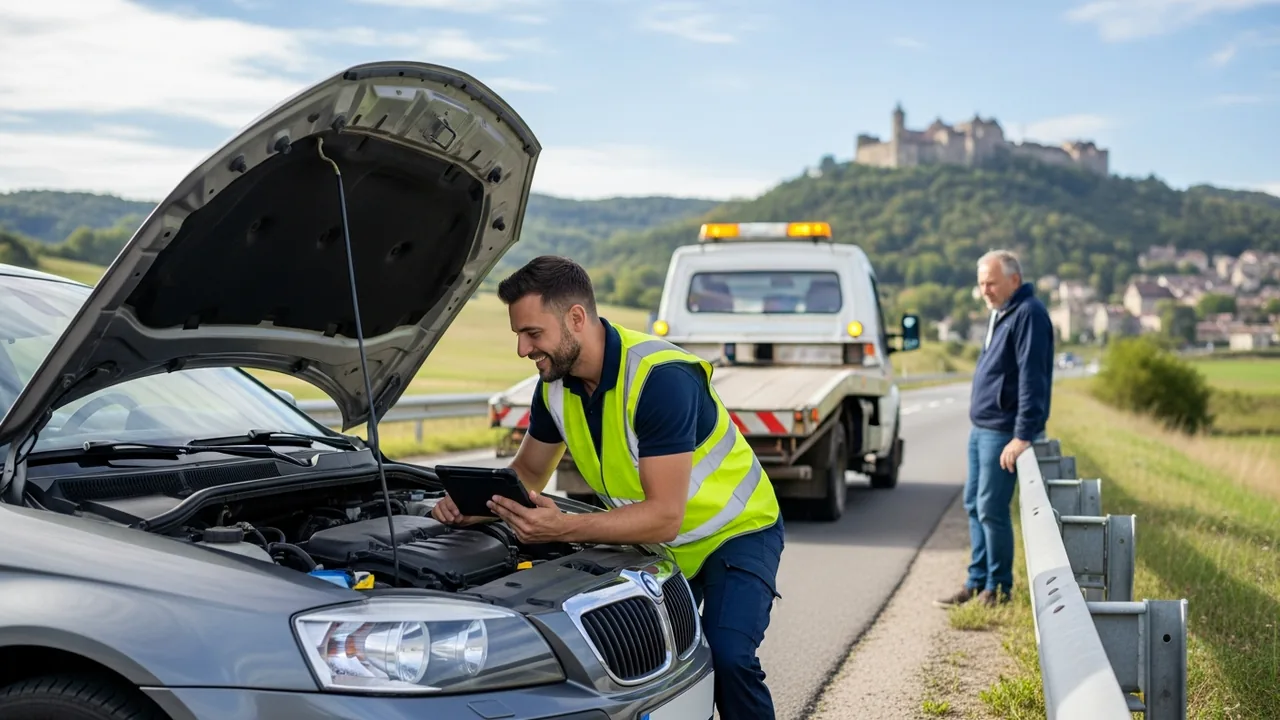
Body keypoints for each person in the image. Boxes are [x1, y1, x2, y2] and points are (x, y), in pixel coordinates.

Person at [431, 255, 785, 719]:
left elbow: (664, 515)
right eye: (518, 334)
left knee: (730, 658)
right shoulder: (554, 386)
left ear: (576, 318)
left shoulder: (661, 379)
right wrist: (473, 507)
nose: (522, 349)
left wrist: (563, 528)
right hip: (653, 545)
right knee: (631, 667)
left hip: (732, 535)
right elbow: (530, 475)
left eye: (533, 333)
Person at [936, 249, 1053, 608]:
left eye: (992, 283)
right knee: (974, 504)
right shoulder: (1001, 312)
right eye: (981, 283)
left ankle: (999, 588)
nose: (985, 290)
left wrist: (1022, 435)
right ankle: (977, 580)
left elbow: (1032, 380)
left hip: (1003, 431)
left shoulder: (1028, 314)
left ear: (1014, 281)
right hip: (982, 427)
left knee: (991, 507)